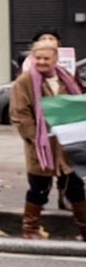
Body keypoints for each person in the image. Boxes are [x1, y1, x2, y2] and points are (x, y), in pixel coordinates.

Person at [9, 36, 84, 240]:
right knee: (39, 189)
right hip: (40, 147)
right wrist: (35, 139)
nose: (41, 62)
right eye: (38, 57)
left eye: (46, 58)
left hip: (66, 147)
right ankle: (30, 230)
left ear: (55, 58)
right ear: (32, 58)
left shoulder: (65, 77)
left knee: (76, 188)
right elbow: (19, 114)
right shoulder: (24, 82)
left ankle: (84, 231)